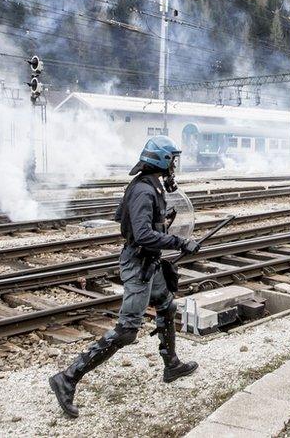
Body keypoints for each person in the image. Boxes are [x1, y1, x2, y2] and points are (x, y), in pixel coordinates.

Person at [49, 136, 200, 418]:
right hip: (139, 264)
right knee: (128, 330)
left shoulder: (147, 186)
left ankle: (172, 365)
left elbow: (123, 217)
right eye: (173, 160)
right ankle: (67, 378)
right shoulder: (144, 190)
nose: (175, 166)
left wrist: (161, 221)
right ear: (163, 161)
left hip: (149, 261)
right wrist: (179, 242)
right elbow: (141, 235)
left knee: (166, 305)